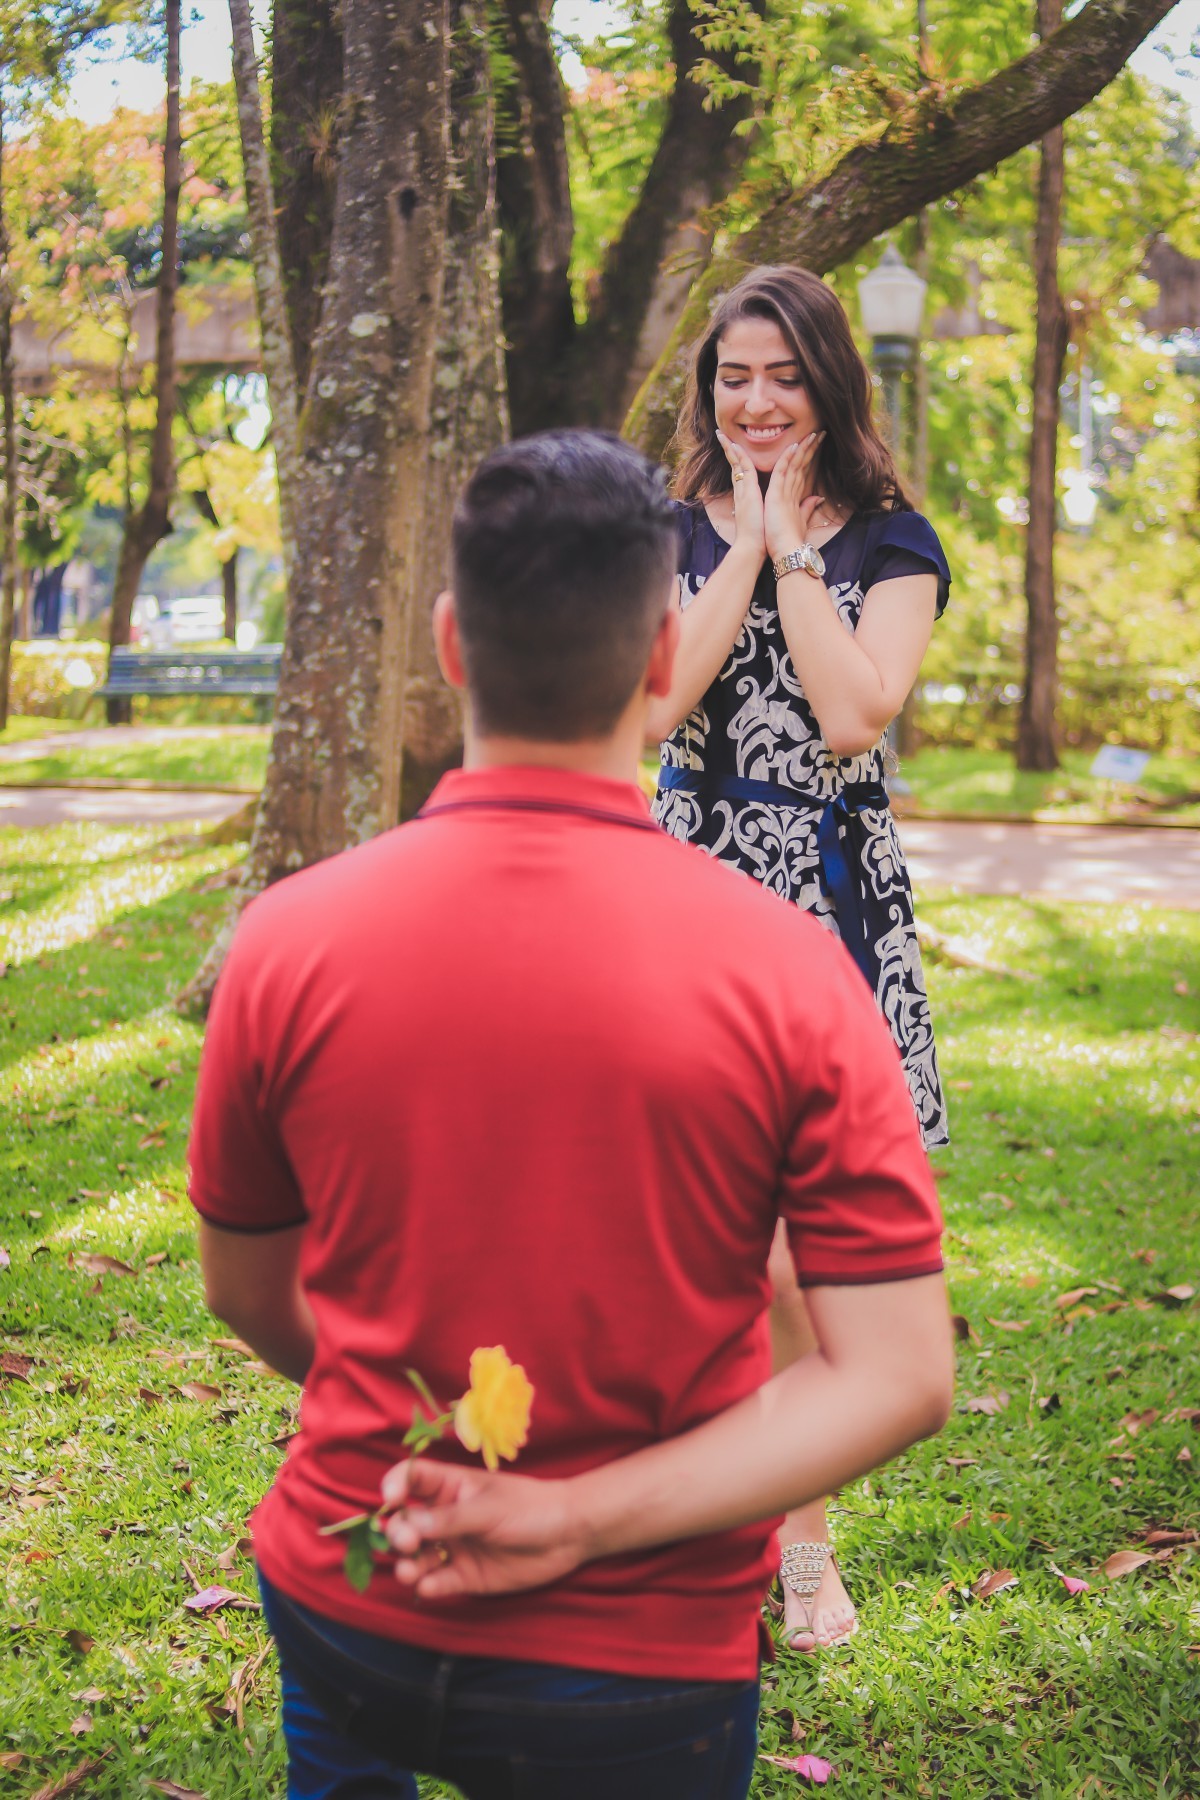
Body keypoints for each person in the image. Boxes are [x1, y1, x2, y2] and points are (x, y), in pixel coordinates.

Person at [189, 430, 953, 1800]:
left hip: (355, 1583)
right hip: (638, 1662)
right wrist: (573, 1517)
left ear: (449, 644)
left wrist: (431, 1421)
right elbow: (899, 1375)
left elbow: (246, 1291)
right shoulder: (791, 969)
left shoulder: (285, 940)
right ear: (664, 656)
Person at [644, 265, 951, 1653]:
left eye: (783, 374)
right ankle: (690, 1517)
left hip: (829, 910)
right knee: (682, 1239)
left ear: (829, 381)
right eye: (734, 376)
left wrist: (795, 551)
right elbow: (658, 704)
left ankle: (802, 1547)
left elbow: (850, 714)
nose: (757, 400)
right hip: (681, 907)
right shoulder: (665, 531)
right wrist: (743, 540)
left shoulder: (893, 542)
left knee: (786, 1258)